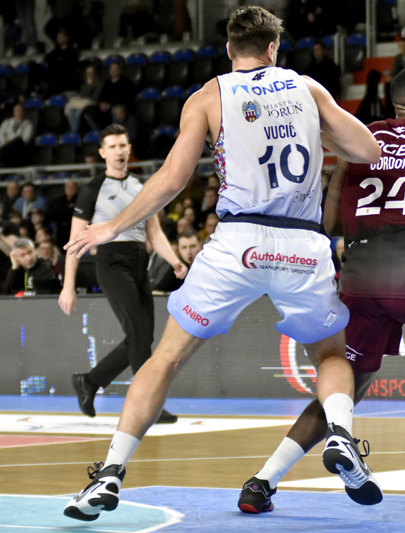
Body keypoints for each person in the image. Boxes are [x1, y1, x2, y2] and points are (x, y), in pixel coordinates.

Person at [61, 7, 383, 521]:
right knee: (329, 354)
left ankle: (110, 473)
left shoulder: (208, 96)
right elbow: (366, 149)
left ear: (230, 50)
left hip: (237, 242)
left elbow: (172, 179)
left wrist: (109, 226)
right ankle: (341, 434)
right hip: (301, 244)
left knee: (165, 358)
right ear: (274, 48)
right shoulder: (306, 88)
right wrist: (315, 133)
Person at [247, 65, 405, 507]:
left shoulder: (356, 141)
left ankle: (263, 481)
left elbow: (330, 222)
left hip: (359, 281)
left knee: (344, 387)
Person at [59, 124, 185, 426]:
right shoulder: (92, 190)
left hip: (139, 260)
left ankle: (89, 381)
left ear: (129, 149)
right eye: (112, 147)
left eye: (122, 146)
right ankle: (147, 406)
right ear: (102, 153)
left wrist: (175, 261)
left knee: (143, 336)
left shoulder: (142, 185)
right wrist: (68, 286)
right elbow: (74, 242)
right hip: (111, 261)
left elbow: (154, 232)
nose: (119, 151)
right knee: (139, 333)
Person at [0, 103, 34, 168]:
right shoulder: (6, 122)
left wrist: (10, 142)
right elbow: (1, 135)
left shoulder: (28, 125)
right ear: (14, 112)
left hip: (18, 149)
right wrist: (5, 141)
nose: (19, 112)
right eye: (17, 111)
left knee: (17, 140)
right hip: (4, 146)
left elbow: (25, 140)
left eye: (21, 110)